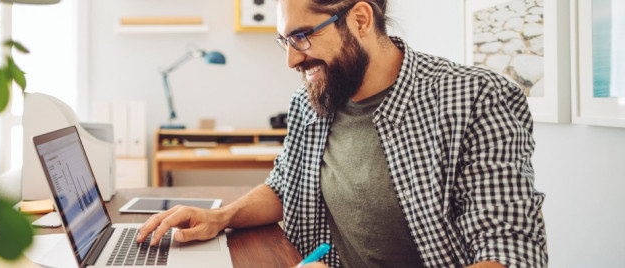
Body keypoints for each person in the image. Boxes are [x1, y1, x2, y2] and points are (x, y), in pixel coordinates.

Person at [137, 0, 548, 267]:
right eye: (284, 40)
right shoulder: (311, 101)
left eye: (302, 36)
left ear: (361, 19)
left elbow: (509, 251)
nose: (291, 59)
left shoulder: (477, 97)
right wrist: (220, 217)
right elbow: (285, 186)